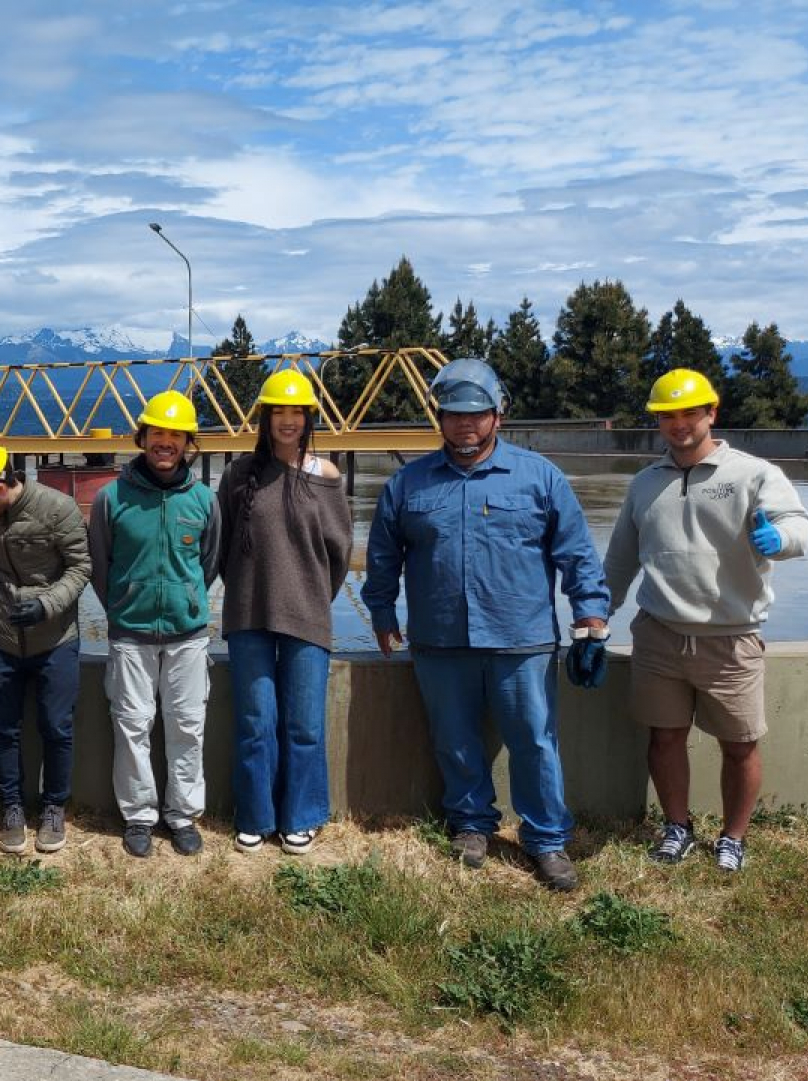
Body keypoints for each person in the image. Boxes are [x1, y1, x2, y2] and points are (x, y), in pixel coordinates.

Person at [363, 358, 608, 892]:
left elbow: (577, 554)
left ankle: (546, 839)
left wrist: (591, 616)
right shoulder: (409, 483)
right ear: (439, 418)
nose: (464, 425)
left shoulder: (540, 477)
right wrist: (382, 611)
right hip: (440, 639)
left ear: (499, 415)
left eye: (476, 414)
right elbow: (382, 556)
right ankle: (471, 825)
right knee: (454, 740)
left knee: (535, 742)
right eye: (452, 414)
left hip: (522, 638)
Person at [604, 369, 808, 873]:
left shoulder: (752, 473)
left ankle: (733, 837)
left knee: (740, 745)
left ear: (711, 413)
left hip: (731, 637)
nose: (679, 424)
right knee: (665, 737)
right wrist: (594, 620)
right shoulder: (644, 484)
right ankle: (677, 828)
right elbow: (619, 563)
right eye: (667, 415)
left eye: (689, 413)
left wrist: (779, 541)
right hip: (659, 634)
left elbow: (798, 525)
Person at [217, 370, 352, 856]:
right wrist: (249, 591)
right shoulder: (236, 476)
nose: (289, 420)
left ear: (309, 418)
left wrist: (310, 595)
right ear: (265, 418)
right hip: (248, 616)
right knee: (256, 722)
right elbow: (224, 547)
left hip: (307, 619)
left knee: (304, 726)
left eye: (298, 412)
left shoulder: (327, 476)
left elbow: (339, 552)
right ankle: (255, 816)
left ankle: (302, 816)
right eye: (280, 411)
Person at [88, 391, 220, 858]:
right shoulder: (110, 499)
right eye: (158, 433)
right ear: (142, 437)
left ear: (188, 443)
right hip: (130, 634)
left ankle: (182, 814)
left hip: (187, 636)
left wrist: (184, 601)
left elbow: (208, 564)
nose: (166, 442)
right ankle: (140, 816)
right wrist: (124, 605)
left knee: (187, 724)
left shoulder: (204, 500)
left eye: (176, 435)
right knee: (132, 725)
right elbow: (99, 566)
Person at [0, 442, 91, 856]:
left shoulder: (58, 508)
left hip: (55, 641)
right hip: (2, 639)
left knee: (57, 727)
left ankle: (53, 808)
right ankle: (11, 807)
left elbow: (82, 567)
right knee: (3, 728)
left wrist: (47, 604)